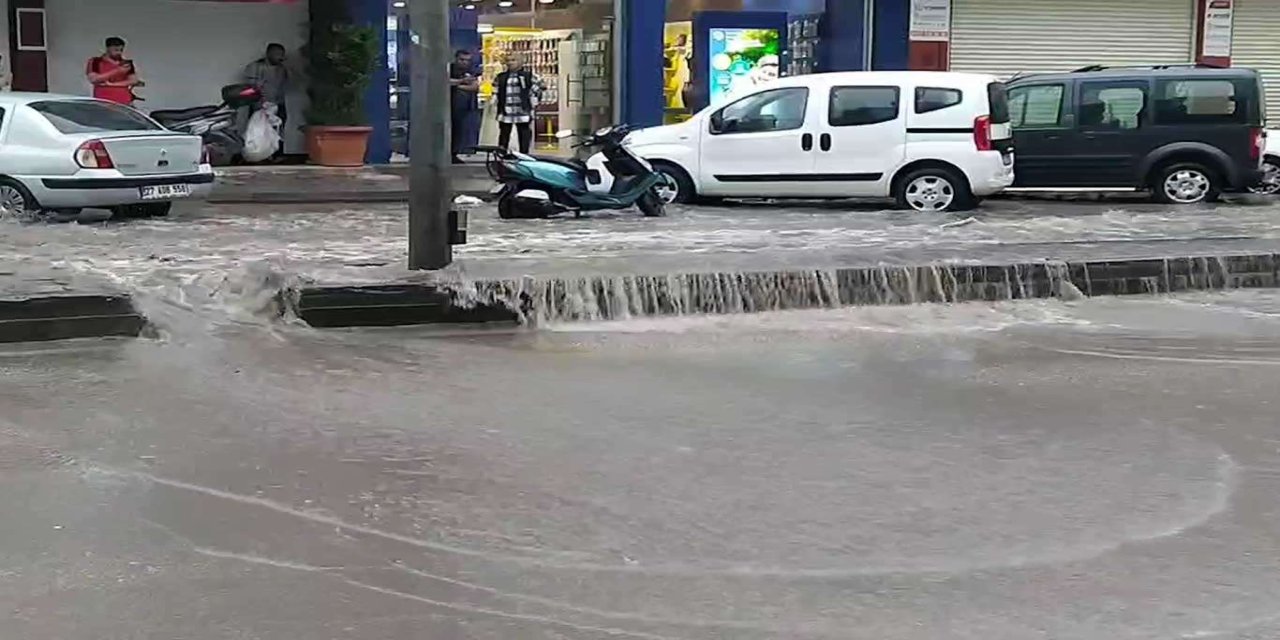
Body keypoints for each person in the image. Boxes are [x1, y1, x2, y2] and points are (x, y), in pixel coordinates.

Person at [243, 43, 290, 159]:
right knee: (258, 132)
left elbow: (284, 85)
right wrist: (259, 102)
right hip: (260, 104)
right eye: (277, 54)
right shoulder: (255, 67)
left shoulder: (282, 69)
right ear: (269, 53)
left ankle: (277, 156)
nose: (280, 57)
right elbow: (251, 87)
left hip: (278, 104)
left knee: (278, 131)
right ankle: (258, 156)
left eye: (282, 55)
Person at [493, 52, 541, 155]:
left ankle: (524, 155)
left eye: (513, 60)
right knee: (504, 133)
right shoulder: (501, 77)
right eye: (508, 61)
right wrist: (494, 99)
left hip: (522, 110)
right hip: (505, 110)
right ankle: (501, 154)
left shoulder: (528, 76)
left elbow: (537, 88)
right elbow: (496, 89)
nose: (510, 63)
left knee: (524, 133)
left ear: (521, 62)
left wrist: (534, 100)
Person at [86, 37, 142, 105]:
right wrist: (117, 71)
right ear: (108, 48)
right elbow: (93, 79)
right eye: (116, 50)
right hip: (103, 101)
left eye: (121, 50)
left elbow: (133, 80)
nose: (119, 52)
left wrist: (112, 84)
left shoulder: (126, 63)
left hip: (124, 101)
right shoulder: (96, 61)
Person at [449, 49, 480, 164]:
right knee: (449, 131)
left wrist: (458, 85)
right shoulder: (450, 69)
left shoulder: (470, 71)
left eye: (467, 60)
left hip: (463, 106)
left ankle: (454, 153)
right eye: (462, 59)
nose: (464, 63)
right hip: (449, 105)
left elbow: (475, 87)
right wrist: (461, 81)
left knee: (459, 131)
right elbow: (443, 81)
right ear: (456, 58)